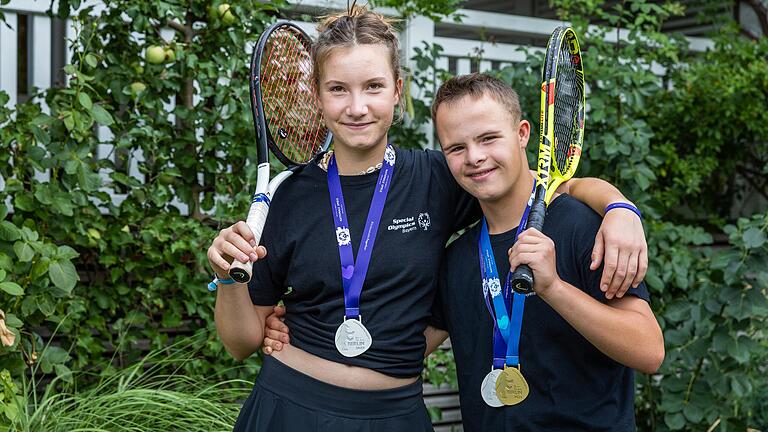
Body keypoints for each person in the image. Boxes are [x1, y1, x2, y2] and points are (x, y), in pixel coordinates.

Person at [208, 7, 648, 432]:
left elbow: (531, 186)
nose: (357, 107)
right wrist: (227, 279)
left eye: (374, 87)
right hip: (291, 405)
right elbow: (241, 341)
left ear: (398, 91)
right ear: (318, 97)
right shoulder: (288, 195)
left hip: (396, 414)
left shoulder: (442, 174)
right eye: (338, 89)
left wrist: (617, 207)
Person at [426, 73, 664, 431]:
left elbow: (648, 350)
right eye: (456, 148)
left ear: (522, 134)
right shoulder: (458, 256)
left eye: (489, 138)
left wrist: (554, 288)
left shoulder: (580, 225)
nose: (474, 157)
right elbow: (404, 352)